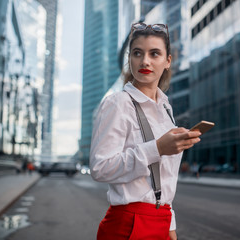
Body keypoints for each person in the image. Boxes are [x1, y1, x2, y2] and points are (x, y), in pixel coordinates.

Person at [89, 22, 201, 240]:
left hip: (162, 221)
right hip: (128, 225)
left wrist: (170, 225)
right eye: (137, 53)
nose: (145, 61)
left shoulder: (165, 108)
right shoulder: (119, 103)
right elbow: (99, 168)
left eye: (154, 53)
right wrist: (157, 148)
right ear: (129, 59)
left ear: (168, 61)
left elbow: (165, 178)